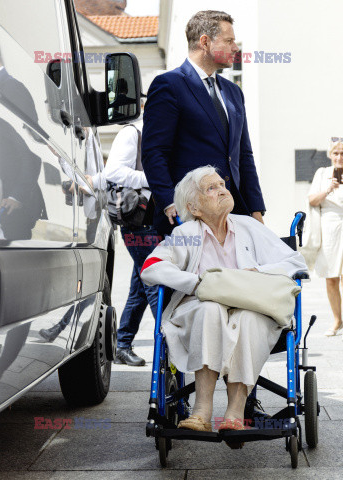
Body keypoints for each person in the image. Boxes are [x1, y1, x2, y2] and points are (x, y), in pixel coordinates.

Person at [140, 166, 307, 440]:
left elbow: (295, 262)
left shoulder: (248, 226)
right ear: (194, 207)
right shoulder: (187, 234)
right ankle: (202, 412)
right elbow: (151, 267)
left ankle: (235, 415)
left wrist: (257, 274)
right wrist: (196, 284)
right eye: (211, 188)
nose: (222, 189)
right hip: (199, 308)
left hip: (252, 306)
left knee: (248, 318)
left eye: (222, 184)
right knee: (210, 308)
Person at [142, 10, 265, 237]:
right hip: (186, 215)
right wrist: (171, 202)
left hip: (233, 216)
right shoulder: (169, 85)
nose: (235, 48)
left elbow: (243, 155)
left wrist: (256, 209)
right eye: (229, 41)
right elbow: (154, 152)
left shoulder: (233, 92)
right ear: (205, 42)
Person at [105, 118, 160, 366]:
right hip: (137, 219)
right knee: (155, 280)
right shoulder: (132, 133)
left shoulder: (158, 132)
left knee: (140, 284)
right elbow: (113, 172)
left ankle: (122, 345)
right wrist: (153, 178)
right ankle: (170, 341)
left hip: (153, 219)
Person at [307, 138, 343, 336]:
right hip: (330, 230)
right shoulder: (322, 174)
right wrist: (328, 189)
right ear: (330, 155)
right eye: (336, 153)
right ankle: (337, 320)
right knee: (331, 278)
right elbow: (312, 200)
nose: (339, 157)